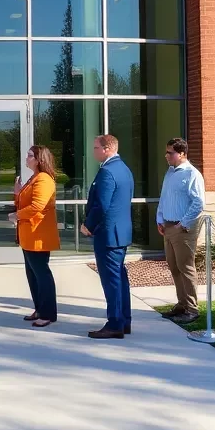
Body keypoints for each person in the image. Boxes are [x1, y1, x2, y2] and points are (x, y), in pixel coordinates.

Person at [82, 134, 134, 340]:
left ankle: (114, 323)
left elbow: (102, 205)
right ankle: (123, 321)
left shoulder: (107, 172)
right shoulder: (124, 169)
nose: (93, 151)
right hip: (119, 233)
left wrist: (88, 225)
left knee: (112, 281)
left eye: (95, 147)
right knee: (119, 279)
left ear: (106, 149)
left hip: (108, 235)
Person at [8, 144, 60, 327]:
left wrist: (16, 215)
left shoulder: (44, 179)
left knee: (41, 274)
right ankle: (39, 308)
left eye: (30, 155)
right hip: (29, 235)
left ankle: (48, 313)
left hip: (38, 236)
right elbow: (25, 202)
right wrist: (17, 193)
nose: (26, 158)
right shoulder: (34, 178)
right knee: (33, 274)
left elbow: (38, 206)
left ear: (39, 159)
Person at [156, 137, 205, 325]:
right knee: (174, 267)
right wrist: (160, 219)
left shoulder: (192, 174)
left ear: (182, 153)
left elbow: (198, 202)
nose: (166, 156)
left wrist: (183, 223)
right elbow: (164, 197)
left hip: (183, 228)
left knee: (186, 267)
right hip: (168, 225)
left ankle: (192, 308)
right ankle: (181, 304)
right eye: (167, 152)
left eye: (170, 152)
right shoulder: (170, 173)